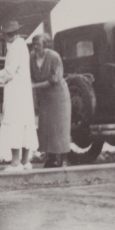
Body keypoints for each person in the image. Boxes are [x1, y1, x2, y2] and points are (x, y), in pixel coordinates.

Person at [0, 20, 39, 172]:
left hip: (16, 93)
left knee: (14, 125)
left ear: (9, 35)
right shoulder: (22, 45)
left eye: (5, 36)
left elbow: (9, 72)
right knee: (25, 125)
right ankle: (25, 161)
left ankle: (16, 163)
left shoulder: (14, 48)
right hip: (23, 92)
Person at [30, 33, 72, 168]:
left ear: (45, 45)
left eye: (38, 44)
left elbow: (55, 79)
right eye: (34, 44)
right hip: (45, 97)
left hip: (58, 96)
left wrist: (34, 86)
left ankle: (64, 159)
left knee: (60, 128)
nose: (36, 47)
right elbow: (31, 76)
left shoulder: (54, 57)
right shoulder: (31, 57)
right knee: (46, 128)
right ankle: (51, 158)